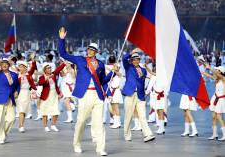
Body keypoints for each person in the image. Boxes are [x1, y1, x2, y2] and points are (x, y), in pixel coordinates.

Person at [59, 27, 116, 156]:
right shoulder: (80, 59)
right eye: (89, 49)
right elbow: (63, 54)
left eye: (93, 50)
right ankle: (77, 143)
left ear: (96, 52)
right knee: (81, 121)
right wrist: (62, 39)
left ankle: (100, 148)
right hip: (84, 94)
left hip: (97, 95)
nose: (90, 51)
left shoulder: (101, 64)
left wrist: (113, 72)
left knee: (99, 123)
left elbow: (102, 81)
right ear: (87, 50)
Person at [122, 48, 155, 142]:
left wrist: (145, 92)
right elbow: (124, 58)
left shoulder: (143, 70)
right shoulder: (128, 67)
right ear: (131, 60)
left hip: (140, 95)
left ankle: (147, 134)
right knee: (128, 115)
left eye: (137, 59)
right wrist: (132, 52)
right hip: (130, 94)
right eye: (134, 59)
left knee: (143, 116)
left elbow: (143, 82)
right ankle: (127, 134)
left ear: (140, 60)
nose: (136, 60)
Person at [38, 62, 65, 132]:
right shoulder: (42, 77)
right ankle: (45, 126)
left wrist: (64, 63)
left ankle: (53, 125)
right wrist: (47, 78)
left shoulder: (53, 74)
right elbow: (40, 83)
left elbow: (58, 69)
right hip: (45, 96)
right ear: (44, 70)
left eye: (50, 68)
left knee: (55, 111)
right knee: (45, 112)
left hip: (54, 95)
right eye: (48, 68)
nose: (49, 69)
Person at [16, 54, 37, 132]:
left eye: (21, 66)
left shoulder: (29, 74)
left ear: (25, 68)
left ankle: (21, 125)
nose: (20, 68)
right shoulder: (17, 75)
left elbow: (33, 67)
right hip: (19, 93)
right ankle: (21, 126)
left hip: (27, 93)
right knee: (21, 110)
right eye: (19, 67)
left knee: (24, 110)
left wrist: (32, 59)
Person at [204, 66, 225, 141]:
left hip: (221, 99)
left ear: (220, 71)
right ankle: (214, 134)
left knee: (219, 117)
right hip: (215, 98)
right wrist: (201, 72)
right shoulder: (217, 79)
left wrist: (209, 68)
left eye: (217, 69)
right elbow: (209, 75)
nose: (216, 70)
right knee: (213, 117)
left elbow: (215, 74)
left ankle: (224, 135)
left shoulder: (223, 79)